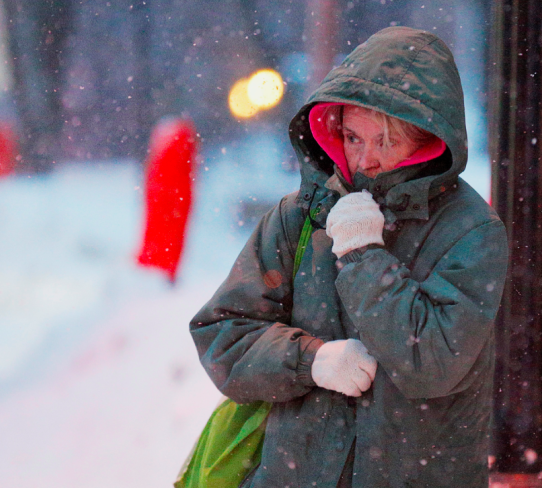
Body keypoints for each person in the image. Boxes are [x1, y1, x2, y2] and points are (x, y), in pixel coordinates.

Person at [190, 26, 508, 488]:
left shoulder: (471, 232)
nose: (365, 161)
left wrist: (363, 255)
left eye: (386, 141)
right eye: (354, 138)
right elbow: (222, 334)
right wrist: (310, 360)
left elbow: (432, 364)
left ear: (427, 139)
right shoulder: (300, 215)